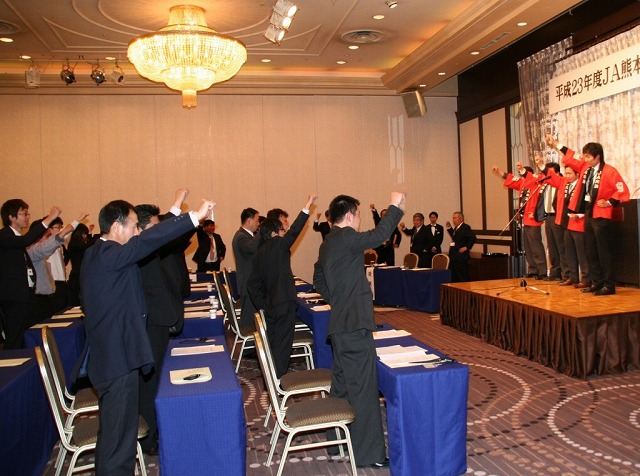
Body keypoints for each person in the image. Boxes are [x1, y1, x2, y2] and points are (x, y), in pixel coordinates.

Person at [78, 197, 214, 475]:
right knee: (119, 440)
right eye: (133, 227)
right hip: (117, 360)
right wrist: (193, 217)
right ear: (117, 227)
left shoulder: (97, 253)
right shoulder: (109, 255)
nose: (137, 232)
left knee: (115, 435)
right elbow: (148, 241)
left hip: (114, 357)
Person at [313, 191, 405, 468]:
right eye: (359, 214)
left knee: (342, 387)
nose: (360, 219)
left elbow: (318, 276)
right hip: (353, 326)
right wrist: (395, 206)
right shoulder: (346, 237)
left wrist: (337, 299)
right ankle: (369, 455)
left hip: (342, 325)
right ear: (350, 215)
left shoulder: (329, 242)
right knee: (364, 390)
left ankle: (337, 441)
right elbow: (379, 235)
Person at [134, 188, 191, 456]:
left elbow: (173, 238)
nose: (160, 232)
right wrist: (176, 206)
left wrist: (185, 214)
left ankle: (152, 430)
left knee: (153, 381)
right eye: (155, 227)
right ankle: (148, 438)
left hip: (157, 321)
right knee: (148, 383)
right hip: (150, 323)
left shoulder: (148, 247)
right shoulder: (137, 250)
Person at [546, 136, 630, 295]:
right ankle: (596, 282)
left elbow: (622, 189)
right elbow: (572, 157)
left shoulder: (609, 171)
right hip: (588, 215)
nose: (585, 159)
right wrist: (556, 144)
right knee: (590, 251)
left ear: (598, 156)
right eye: (584, 156)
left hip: (601, 216)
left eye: (588, 156)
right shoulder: (586, 169)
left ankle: (608, 285)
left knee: (603, 252)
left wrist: (609, 202)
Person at [248, 193, 317, 377]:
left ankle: (270, 376)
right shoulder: (278, 244)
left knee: (273, 341)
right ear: (274, 233)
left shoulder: (259, 254)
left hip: (271, 305)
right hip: (285, 303)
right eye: (281, 230)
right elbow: (295, 230)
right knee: (283, 344)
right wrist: (307, 207)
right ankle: (279, 379)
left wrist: (262, 303)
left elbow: (252, 284)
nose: (284, 233)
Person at [0, 200, 61, 349]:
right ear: (11, 217)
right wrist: (49, 219)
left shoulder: (16, 237)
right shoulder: (4, 235)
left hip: (25, 295)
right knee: (15, 336)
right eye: (24, 213)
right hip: (13, 296)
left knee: (26, 334)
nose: (28, 217)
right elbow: (26, 240)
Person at [492, 163, 547, 279]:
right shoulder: (523, 183)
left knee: (536, 246)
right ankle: (533, 270)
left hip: (533, 218)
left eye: (523, 174)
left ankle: (542, 271)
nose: (521, 177)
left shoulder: (535, 182)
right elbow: (511, 179)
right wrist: (499, 171)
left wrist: (523, 170)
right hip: (524, 219)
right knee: (528, 246)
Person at [545, 165, 591, 287]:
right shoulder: (566, 185)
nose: (567, 176)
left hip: (579, 222)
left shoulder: (582, 186)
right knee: (569, 252)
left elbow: (587, 204)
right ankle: (572, 276)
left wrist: (580, 214)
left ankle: (586, 278)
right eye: (566, 173)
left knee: (581, 253)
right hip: (567, 223)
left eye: (570, 173)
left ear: (577, 174)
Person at [537, 157, 568, 282]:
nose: (547, 175)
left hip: (557, 216)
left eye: (550, 172)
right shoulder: (546, 185)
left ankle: (566, 274)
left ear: (557, 173)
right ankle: (555, 272)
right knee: (552, 246)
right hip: (548, 217)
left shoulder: (561, 183)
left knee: (561, 246)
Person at [232, 207, 261, 327]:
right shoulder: (241, 237)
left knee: (253, 317)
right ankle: (247, 337)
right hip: (247, 284)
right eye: (257, 221)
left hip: (250, 283)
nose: (258, 224)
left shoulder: (247, 236)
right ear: (249, 221)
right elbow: (251, 248)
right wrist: (262, 232)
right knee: (249, 319)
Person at [67, 223, 98, 307]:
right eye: (84, 234)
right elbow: (89, 247)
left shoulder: (76, 244)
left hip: (80, 275)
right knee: (77, 303)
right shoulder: (74, 244)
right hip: (77, 277)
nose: (85, 236)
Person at [445, 211, 476, 282]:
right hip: (454, 256)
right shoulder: (456, 228)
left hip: (460, 256)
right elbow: (455, 237)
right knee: (454, 276)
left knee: (461, 276)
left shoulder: (465, 227)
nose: (453, 220)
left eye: (455, 218)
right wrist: (449, 228)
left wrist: (467, 247)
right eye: (453, 218)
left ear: (461, 219)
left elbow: (473, 237)